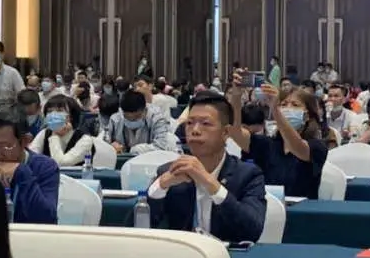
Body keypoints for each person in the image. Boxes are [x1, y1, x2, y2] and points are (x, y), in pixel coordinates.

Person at [147, 92, 266, 243]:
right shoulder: (169, 172)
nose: (195, 130)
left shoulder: (248, 175)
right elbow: (139, 226)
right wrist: (160, 186)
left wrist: (210, 183)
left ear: (225, 132)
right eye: (190, 123)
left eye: (205, 124)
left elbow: (252, 230)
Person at [228, 77, 326, 199]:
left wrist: (275, 109)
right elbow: (235, 131)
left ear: (307, 116)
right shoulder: (267, 144)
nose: (287, 108)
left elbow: (297, 146)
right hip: (268, 206)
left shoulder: (317, 146)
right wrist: (236, 96)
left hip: (302, 208)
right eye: (283, 104)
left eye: (295, 105)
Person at [102, 89, 178, 155]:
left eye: (136, 118)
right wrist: (110, 147)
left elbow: (161, 146)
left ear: (145, 110)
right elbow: (103, 142)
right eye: (127, 118)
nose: (131, 121)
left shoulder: (157, 118)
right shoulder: (116, 119)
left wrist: (135, 150)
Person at [29, 95, 94, 167]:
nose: (53, 115)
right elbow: (30, 158)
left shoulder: (85, 139)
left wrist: (54, 135)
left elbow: (61, 164)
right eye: (50, 111)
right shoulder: (44, 133)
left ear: (71, 116)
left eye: (59, 110)